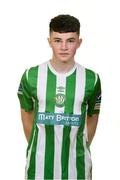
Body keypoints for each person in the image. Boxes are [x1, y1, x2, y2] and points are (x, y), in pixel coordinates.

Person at [17, 14, 102, 180]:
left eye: (70, 40)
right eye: (57, 40)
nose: (64, 47)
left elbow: (92, 118)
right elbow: (27, 116)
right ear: (49, 41)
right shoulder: (31, 76)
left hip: (78, 168)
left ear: (79, 42)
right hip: (39, 168)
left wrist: (76, 146)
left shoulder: (91, 80)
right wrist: (42, 146)